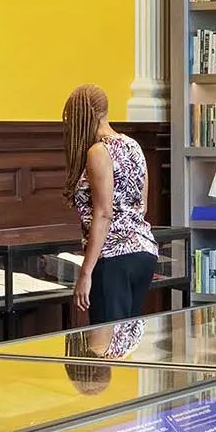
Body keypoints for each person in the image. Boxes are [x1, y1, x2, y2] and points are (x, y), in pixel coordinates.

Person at [64, 83, 159, 324]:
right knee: (124, 340)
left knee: (103, 343)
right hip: (143, 252)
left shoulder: (98, 152)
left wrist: (85, 273)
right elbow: (142, 206)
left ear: (86, 116)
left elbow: (104, 214)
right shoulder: (133, 146)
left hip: (113, 259)